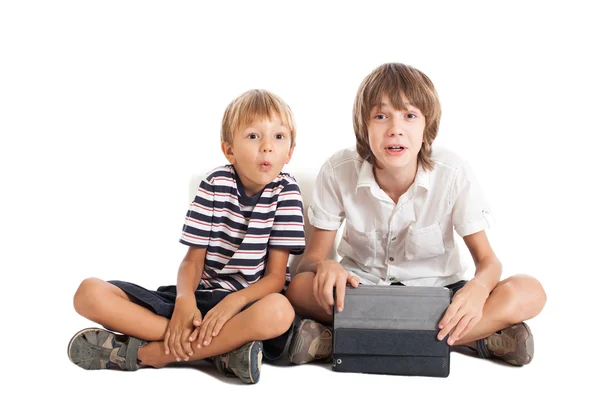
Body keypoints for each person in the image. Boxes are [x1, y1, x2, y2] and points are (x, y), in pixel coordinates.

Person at [285, 63, 546, 367]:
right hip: (363, 293)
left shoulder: (452, 173)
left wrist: (477, 289)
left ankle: (346, 339)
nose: (395, 128)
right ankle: (477, 337)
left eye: (409, 116)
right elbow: (311, 260)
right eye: (381, 116)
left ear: (427, 126)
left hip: (441, 295)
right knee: (299, 289)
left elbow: (488, 262)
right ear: (363, 127)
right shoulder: (337, 170)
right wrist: (326, 266)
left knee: (530, 291)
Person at [68, 89, 306, 384]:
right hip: (198, 301)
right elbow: (193, 261)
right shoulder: (215, 184)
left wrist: (232, 303)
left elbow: (273, 278)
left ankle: (153, 355)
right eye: (254, 136)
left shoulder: (286, 192)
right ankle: (219, 351)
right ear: (229, 150)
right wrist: (184, 300)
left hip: (246, 307)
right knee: (88, 293)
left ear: (290, 152)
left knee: (280, 311)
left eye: (279, 137)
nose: (268, 147)